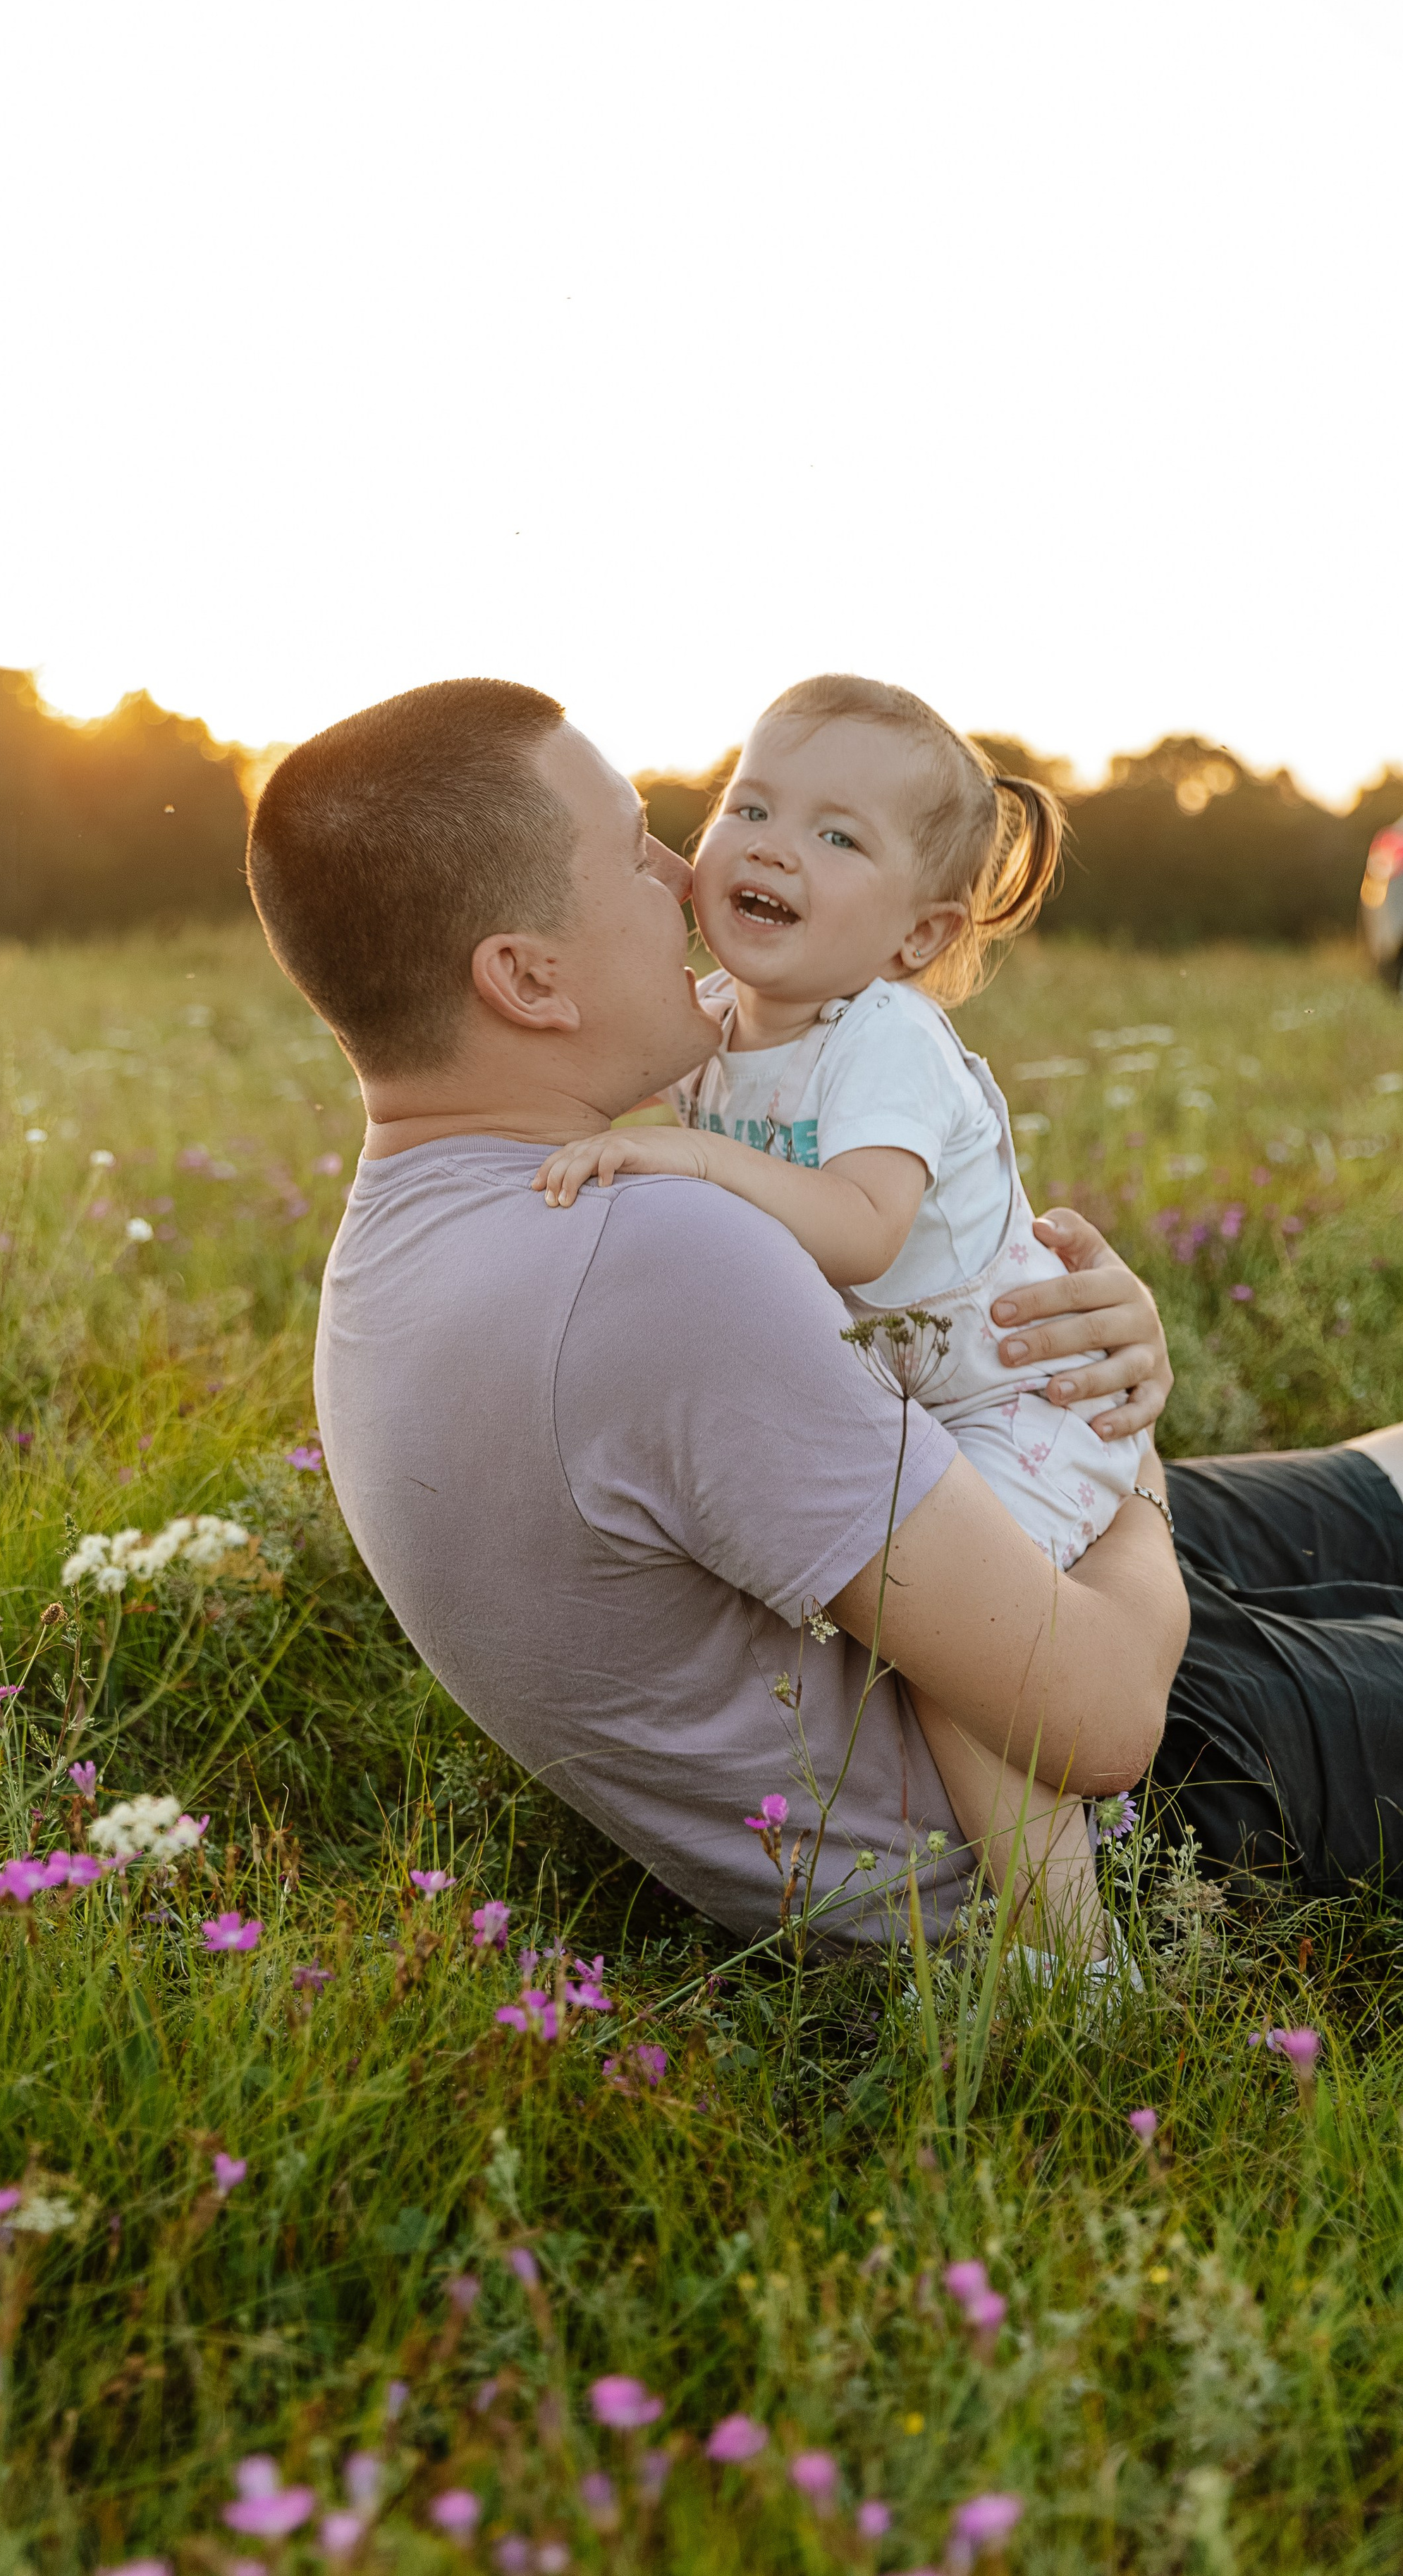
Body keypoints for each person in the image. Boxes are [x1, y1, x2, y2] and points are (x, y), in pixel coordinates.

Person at [247, 677, 1403, 1956]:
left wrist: (1079, 1358)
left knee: (1382, 1477)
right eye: (637, 852)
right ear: (526, 978)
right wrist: (1130, 1449)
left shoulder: (408, 1244)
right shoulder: (653, 1256)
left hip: (955, 1579)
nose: (687, 870)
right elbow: (1100, 1716)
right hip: (1107, 1793)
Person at [532, 673, 1141, 1578]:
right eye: (751, 807)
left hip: (1018, 1400)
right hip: (893, 1405)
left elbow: (863, 1230)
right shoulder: (708, 1018)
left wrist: (693, 1155)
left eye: (837, 836)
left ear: (919, 937)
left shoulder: (886, 1036)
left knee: (974, 1626)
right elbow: (573, 1107)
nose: (774, 850)